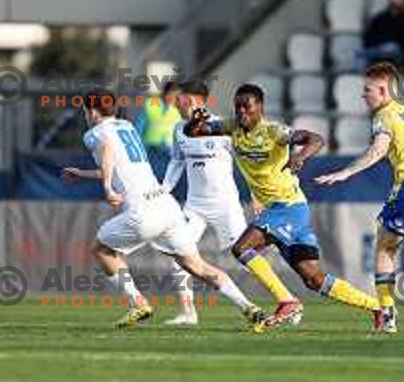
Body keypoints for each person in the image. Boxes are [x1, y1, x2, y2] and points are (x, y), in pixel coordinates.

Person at [61, 90, 267, 330]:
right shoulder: (126, 126)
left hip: (142, 211)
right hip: (166, 206)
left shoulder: (95, 132)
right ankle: (249, 307)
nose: (86, 116)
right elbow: (118, 165)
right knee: (197, 266)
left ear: (93, 112)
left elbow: (107, 150)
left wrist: (107, 188)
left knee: (102, 250)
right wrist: (84, 174)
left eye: (86, 111)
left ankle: (137, 302)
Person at [185, 83, 383, 329]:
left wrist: (299, 157)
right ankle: (377, 307)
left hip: (286, 206)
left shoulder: (274, 132)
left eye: (247, 107)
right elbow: (193, 132)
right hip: (287, 209)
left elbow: (315, 139)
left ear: (260, 108)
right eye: (238, 107)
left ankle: (287, 301)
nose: (242, 112)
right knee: (314, 279)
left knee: (241, 248)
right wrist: (194, 121)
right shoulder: (232, 127)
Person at [315, 62, 404, 334]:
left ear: (383, 91)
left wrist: (347, 172)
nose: (364, 95)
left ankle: (388, 315)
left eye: (368, 90)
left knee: (385, 247)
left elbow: (378, 149)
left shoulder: (385, 114)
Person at [161, 79, 250, 325]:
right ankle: (188, 312)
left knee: (247, 257)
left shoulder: (221, 127)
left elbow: (244, 162)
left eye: (178, 99)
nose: (174, 104)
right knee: (179, 254)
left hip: (226, 205)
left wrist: (256, 196)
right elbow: (177, 161)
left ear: (189, 100)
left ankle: (286, 301)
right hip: (195, 207)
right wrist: (163, 191)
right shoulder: (179, 128)